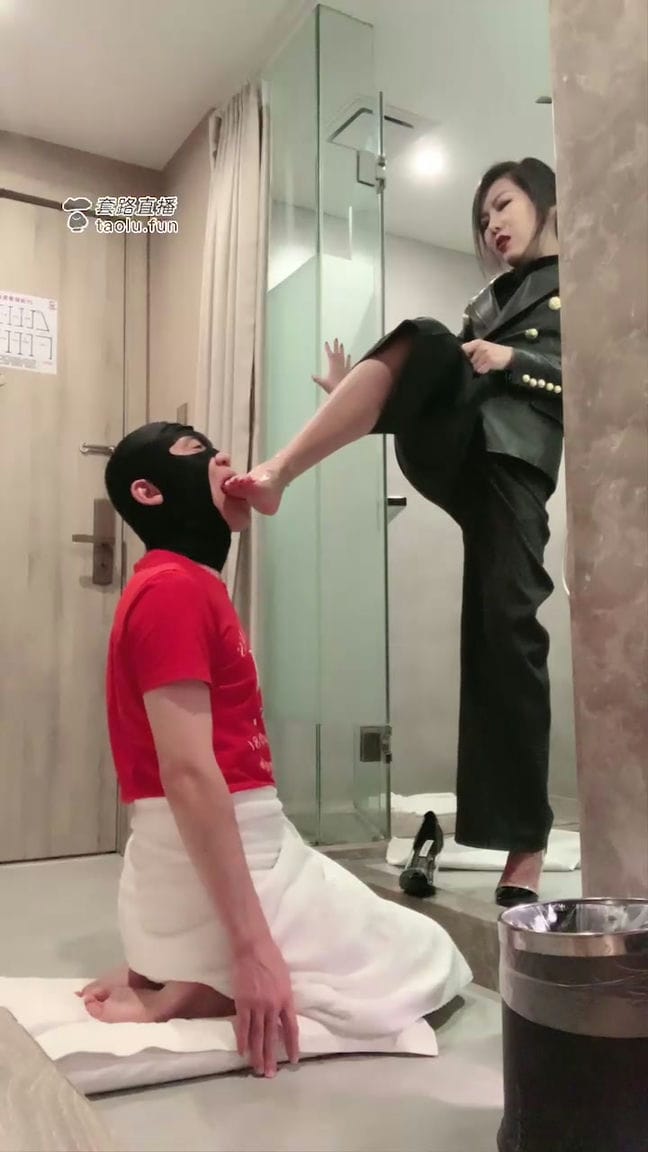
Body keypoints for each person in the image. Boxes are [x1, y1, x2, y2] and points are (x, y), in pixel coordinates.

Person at [79, 421, 471, 1079]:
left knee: (394, 933)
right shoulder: (173, 589)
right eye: (196, 452)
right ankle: (207, 978)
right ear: (148, 491)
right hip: (212, 868)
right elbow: (188, 772)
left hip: (185, 881)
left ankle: (180, 963)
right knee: (426, 956)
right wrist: (252, 951)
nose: (222, 457)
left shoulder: (184, 583)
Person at [225, 158, 562, 908]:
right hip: (459, 450)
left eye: (503, 205)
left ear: (545, 202)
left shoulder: (582, 285)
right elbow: (444, 376)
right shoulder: (484, 301)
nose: (492, 225)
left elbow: (597, 380)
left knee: (505, 634)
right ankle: (281, 469)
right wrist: (363, 396)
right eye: (483, 217)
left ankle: (524, 841)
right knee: (428, 336)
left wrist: (514, 360)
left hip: (514, 464)